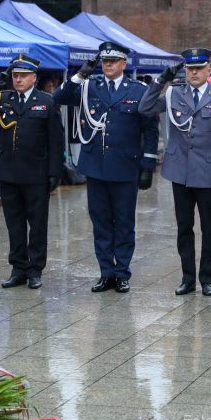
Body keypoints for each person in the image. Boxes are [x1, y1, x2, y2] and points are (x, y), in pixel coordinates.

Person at [54, 42, 157, 294]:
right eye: (104, 61)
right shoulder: (90, 85)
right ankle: (105, 273)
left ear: (124, 64)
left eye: (113, 61)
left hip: (125, 166)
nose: (108, 64)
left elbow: (150, 130)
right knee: (100, 221)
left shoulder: (139, 89)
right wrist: (80, 74)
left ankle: (122, 273)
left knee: (123, 222)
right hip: (97, 166)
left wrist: (147, 165)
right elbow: (60, 97)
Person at [139, 48, 211, 296]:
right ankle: (187, 278)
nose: (194, 72)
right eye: (190, 68)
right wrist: (161, 81)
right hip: (179, 171)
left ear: (208, 70)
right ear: (185, 70)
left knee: (209, 229)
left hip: (208, 171)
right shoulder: (174, 93)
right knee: (184, 227)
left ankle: (207, 279)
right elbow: (145, 107)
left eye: (199, 68)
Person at [0, 55, 64, 290]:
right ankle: (18, 269)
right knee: (14, 224)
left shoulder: (46, 101)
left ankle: (35, 270)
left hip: (37, 173)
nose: (18, 79)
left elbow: (56, 140)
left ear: (34, 77)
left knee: (37, 224)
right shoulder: (3, 98)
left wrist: (55, 172)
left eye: (23, 75)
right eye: (15, 76)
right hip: (10, 172)